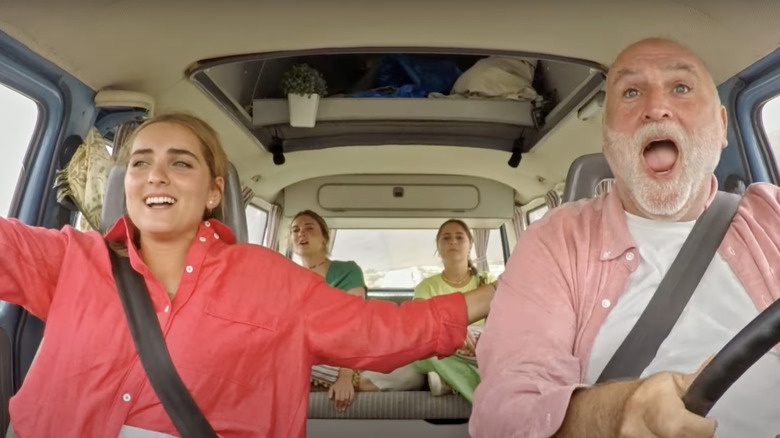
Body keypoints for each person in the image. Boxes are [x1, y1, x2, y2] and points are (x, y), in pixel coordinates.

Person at [1, 113, 496, 438]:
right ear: (125, 181)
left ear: (214, 192)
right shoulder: (70, 259)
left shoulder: (271, 280)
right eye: (140, 162)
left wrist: (495, 294)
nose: (156, 175)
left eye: (180, 163)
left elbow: (380, 329)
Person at [470, 37, 780, 438]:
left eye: (681, 87)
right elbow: (505, 409)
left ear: (721, 126)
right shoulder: (556, 241)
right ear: (607, 139)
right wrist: (614, 414)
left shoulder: (771, 217)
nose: (656, 108)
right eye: (632, 92)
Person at [289, 209, 371, 412]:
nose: (301, 233)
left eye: (309, 228)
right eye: (295, 230)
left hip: (346, 353)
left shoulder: (347, 271)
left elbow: (355, 325)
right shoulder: (287, 277)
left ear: (324, 238)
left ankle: (350, 381)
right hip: (307, 356)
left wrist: (345, 376)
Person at [412, 219, 497, 401]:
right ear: (438, 246)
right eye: (446, 238)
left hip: (481, 349)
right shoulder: (427, 286)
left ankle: (448, 381)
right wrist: (452, 329)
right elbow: (418, 319)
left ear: (470, 245)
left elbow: (503, 323)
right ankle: (484, 401)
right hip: (443, 349)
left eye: (459, 237)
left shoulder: (488, 280)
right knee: (423, 352)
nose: (453, 241)